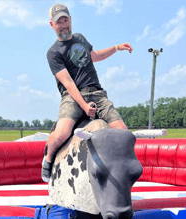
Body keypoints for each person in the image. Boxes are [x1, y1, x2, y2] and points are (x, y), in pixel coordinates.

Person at [42, 3, 133, 182]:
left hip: (97, 94)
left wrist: (116, 47)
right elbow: (68, 83)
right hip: (73, 97)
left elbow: (95, 56)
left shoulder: (80, 38)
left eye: (65, 20)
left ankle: (122, 171)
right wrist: (83, 105)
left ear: (71, 20)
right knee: (62, 132)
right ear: (52, 25)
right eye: (58, 22)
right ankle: (48, 158)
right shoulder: (53, 53)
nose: (63, 25)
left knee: (123, 132)